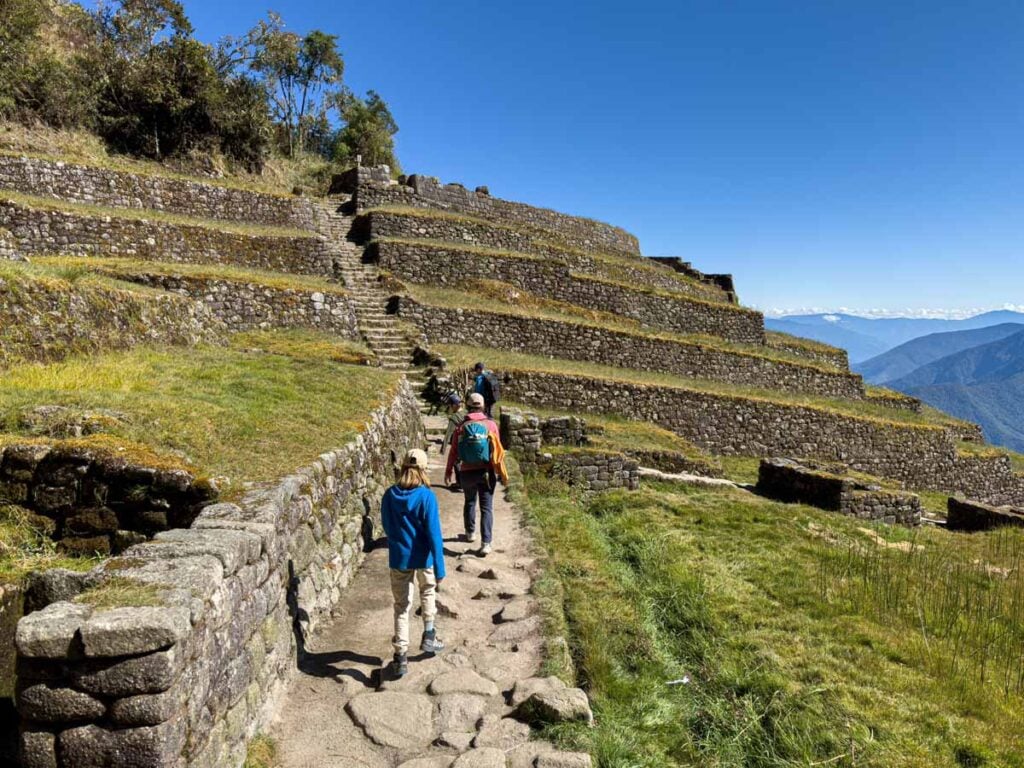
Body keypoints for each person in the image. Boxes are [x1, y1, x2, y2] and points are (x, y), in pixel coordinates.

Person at [381, 448, 446, 677]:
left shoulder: (390, 494)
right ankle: (429, 635)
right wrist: (440, 566)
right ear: (424, 469)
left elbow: (387, 527)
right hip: (423, 557)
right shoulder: (427, 496)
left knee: (401, 606)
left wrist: (400, 541)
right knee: (427, 591)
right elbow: (434, 533)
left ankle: (400, 656)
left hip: (399, 557)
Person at [444, 393, 508, 556]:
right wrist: (500, 472)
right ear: (483, 406)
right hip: (486, 471)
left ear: (468, 406)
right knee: (486, 508)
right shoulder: (491, 425)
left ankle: (470, 533)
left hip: (466, 471)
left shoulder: (461, 426)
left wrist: (449, 471)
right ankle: (486, 543)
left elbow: (453, 451)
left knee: (469, 501)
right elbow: (497, 450)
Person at [441, 393, 466, 491]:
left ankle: (460, 483)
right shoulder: (466, 413)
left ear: (454, 405)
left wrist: (443, 449)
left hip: (459, 443)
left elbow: (448, 434)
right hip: (469, 442)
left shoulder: (454, 418)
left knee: (456, 462)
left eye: (450, 405)